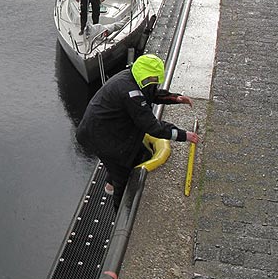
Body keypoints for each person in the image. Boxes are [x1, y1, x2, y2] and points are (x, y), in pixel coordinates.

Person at [76, 53, 199, 210]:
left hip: (107, 127)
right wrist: (184, 135)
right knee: (122, 170)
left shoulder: (131, 76)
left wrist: (174, 98)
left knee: (141, 154)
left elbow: (149, 92)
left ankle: (109, 184)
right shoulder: (131, 94)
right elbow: (152, 126)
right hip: (101, 136)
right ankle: (120, 209)